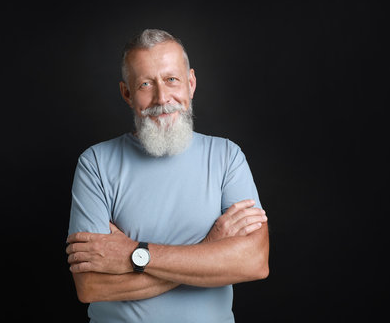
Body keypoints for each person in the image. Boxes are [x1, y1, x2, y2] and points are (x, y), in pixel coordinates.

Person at [65, 29, 269, 322]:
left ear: (190, 83)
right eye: (146, 84)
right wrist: (209, 252)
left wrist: (135, 254)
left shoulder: (227, 157)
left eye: (172, 79)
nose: (162, 98)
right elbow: (91, 286)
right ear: (127, 93)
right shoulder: (95, 164)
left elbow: (254, 263)